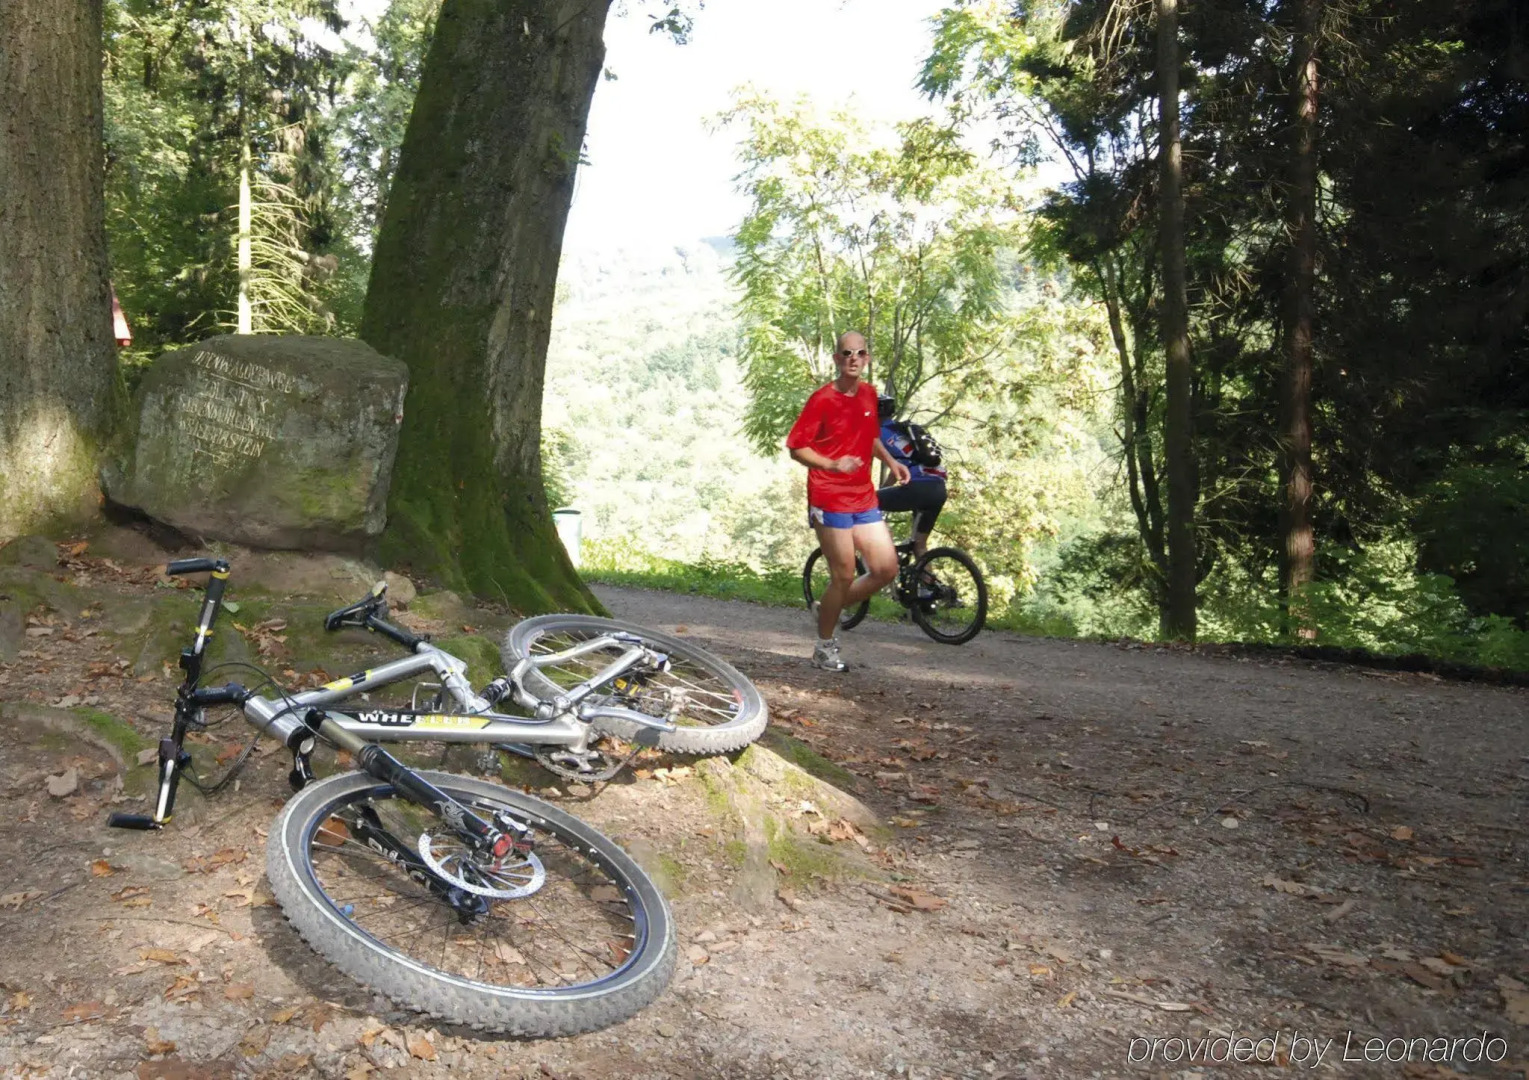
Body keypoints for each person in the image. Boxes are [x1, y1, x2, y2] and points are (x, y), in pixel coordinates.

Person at [785, 331, 910, 671]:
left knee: (886, 569)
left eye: (860, 353)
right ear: (837, 359)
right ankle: (824, 647)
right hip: (829, 495)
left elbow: (869, 437)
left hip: (862, 496)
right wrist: (831, 463)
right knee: (843, 574)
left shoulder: (869, 395)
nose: (853, 358)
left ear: (867, 358)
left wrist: (892, 461)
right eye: (846, 353)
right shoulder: (822, 399)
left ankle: (827, 607)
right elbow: (797, 447)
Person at [874, 394, 947, 560]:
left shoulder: (878, 435)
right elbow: (897, 469)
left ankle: (886, 549)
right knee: (919, 545)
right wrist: (883, 491)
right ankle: (927, 585)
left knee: (867, 502)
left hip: (918, 488)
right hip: (939, 489)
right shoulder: (901, 431)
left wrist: (877, 495)